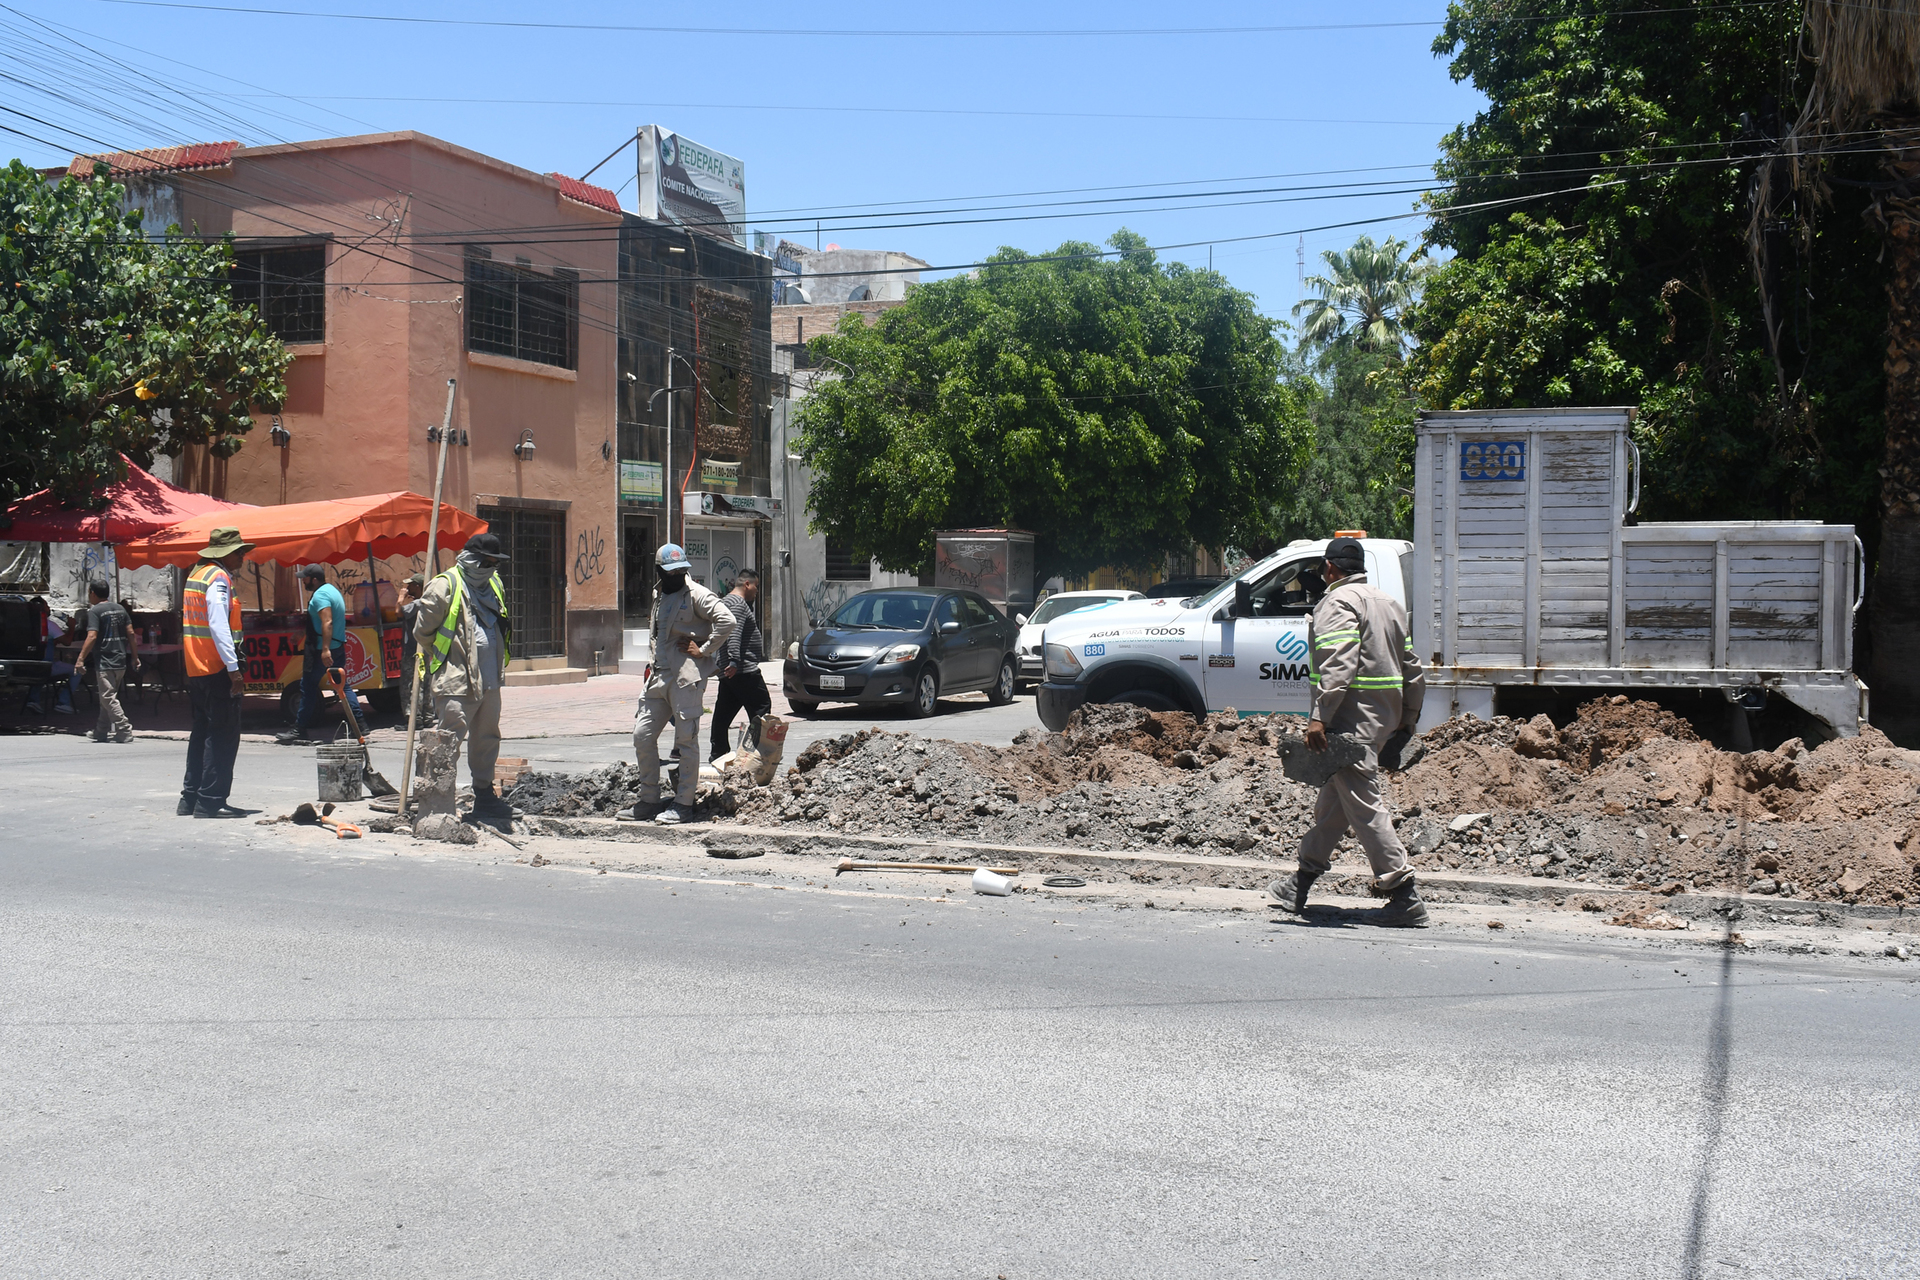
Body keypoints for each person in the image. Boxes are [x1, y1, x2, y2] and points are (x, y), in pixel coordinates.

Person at [1268, 536, 1430, 927]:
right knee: (1335, 805)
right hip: (1382, 719)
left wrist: (1319, 717)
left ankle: (1402, 892)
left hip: (1349, 719)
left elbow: (1338, 663)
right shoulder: (1388, 603)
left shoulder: (1337, 603)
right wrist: (1407, 720)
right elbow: (1413, 668)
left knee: (1363, 804)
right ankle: (1301, 882)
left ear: (1329, 569)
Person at [629, 544, 734, 824]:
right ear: (659, 572)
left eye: (680, 571)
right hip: (658, 676)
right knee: (642, 735)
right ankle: (649, 800)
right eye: (670, 572)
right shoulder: (658, 594)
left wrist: (705, 650)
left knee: (685, 741)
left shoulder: (697, 595)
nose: (676, 576)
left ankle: (683, 804)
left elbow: (727, 620)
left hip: (685, 678)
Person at [414, 533, 513, 828]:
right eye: (487, 562)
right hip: (457, 679)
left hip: (490, 679)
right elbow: (423, 633)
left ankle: (483, 795)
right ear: (472, 560)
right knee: (448, 739)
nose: (491, 568)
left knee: (486, 739)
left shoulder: (494, 584)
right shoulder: (444, 586)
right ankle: (436, 801)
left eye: (495, 563)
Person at [180, 526, 253, 818]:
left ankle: (189, 798)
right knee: (222, 736)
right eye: (240, 553)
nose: (243, 559)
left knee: (201, 733)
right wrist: (234, 669)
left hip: (196, 667)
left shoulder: (195, 575)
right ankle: (210, 800)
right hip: (217, 668)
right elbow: (219, 625)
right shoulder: (218, 577)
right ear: (227, 553)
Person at [281, 565, 367, 743]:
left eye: (305, 578)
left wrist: (325, 649)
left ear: (314, 579)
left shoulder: (320, 596)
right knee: (343, 686)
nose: (302, 580)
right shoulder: (331, 590)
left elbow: (327, 622)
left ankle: (300, 728)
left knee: (308, 687)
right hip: (336, 646)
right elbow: (319, 621)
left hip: (322, 649)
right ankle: (360, 724)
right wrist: (302, 633)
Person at [709, 568, 771, 762]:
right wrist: (735, 659)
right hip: (742, 669)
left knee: (724, 713)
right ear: (747, 584)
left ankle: (718, 754)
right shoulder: (737, 603)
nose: (757, 592)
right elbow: (733, 632)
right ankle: (754, 753)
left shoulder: (725, 601)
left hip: (729, 671)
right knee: (761, 706)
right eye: (756, 587)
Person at [77, 579, 139, 743]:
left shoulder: (95, 611)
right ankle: (101, 730)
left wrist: (80, 658)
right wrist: (135, 656)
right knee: (108, 696)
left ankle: (124, 729)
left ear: (92, 593)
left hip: (105, 660)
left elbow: (92, 636)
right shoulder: (120, 609)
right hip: (120, 660)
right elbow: (131, 634)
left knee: (107, 697)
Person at [396, 572, 433, 727]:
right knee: (425, 682)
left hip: (413, 650)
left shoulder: (416, 604)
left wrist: (401, 597)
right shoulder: (429, 602)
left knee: (410, 684)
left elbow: (398, 612)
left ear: (417, 586)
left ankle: (413, 718)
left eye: (410, 585)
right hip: (426, 648)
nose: (407, 588)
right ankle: (427, 716)